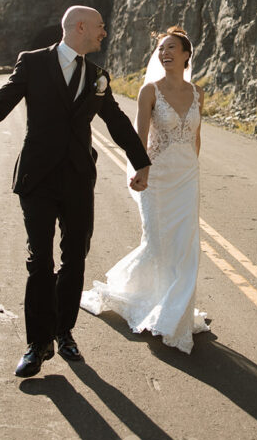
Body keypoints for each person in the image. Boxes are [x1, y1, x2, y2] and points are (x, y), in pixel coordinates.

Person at [0, 5, 151, 377]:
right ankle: (37, 343)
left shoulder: (97, 75)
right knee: (40, 262)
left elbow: (116, 121)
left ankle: (64, 333)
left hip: (79, 178)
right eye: (99, 27)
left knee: (75, 258)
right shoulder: (32, 63)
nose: (104, 33)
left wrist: (140, 161)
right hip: (38, 178)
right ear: (80, 27)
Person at [81, 26, 209, 353]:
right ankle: (142, 297)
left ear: (186, 55)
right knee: (157, 242)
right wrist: (141, 170)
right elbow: (138, 139)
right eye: (161, 49)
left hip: (186, 178)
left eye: (171, 48)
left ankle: (173, 314)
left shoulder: (198, 94)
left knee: (185, 246)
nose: (164, 53)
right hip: (156, 176)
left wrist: (193, 170)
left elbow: (195, 137)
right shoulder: (149, 91)